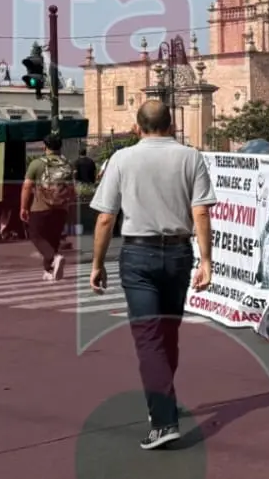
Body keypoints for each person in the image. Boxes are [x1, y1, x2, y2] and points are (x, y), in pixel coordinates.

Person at [89, 101, 217, 451]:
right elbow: (201, 212)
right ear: (171, 123)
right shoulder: (191, 157)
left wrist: (97, 263)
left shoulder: (122, 159)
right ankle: (164, 402)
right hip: (178, 252)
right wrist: (207, 260)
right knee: (168, 332)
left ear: (137, 126)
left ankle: (163, 422)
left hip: (138, 254)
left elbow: (104, 217)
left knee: (149, 338)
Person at [21, 134, 76, 281]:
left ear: (44, 146)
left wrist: (24, 208)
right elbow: (72, 188)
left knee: (35, 235)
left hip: (40, 207)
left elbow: (27, 187)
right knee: (53, 239)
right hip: (62, 207)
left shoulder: (37, 164)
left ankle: (54, 257)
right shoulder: (67, 163)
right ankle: (49, 271)